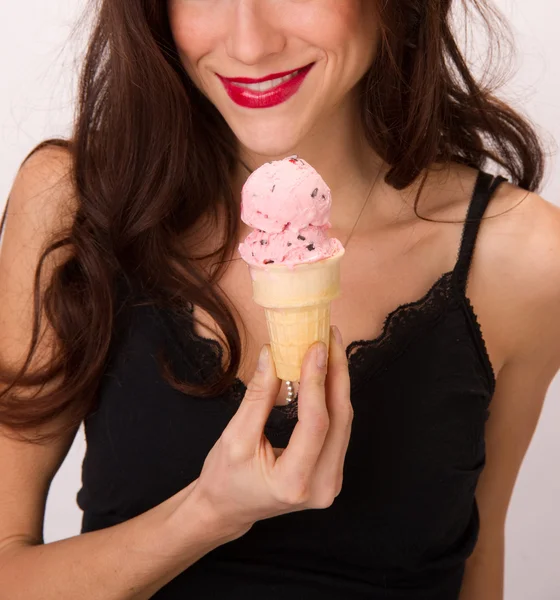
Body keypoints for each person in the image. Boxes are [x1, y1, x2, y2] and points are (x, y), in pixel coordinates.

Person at [0, 0, 558, 598]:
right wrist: (207, 514)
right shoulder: (77, 206)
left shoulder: (524, 257)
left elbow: (476, 560)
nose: (250, 44)